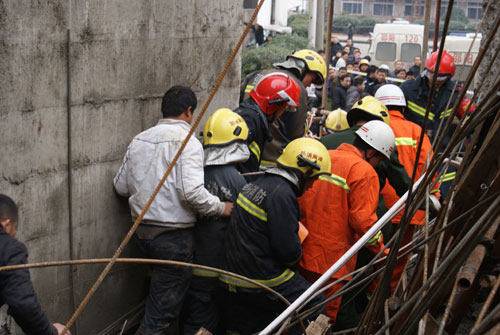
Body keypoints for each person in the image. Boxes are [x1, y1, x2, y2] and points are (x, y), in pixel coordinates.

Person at [113, 86, 233, 335]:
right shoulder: (188, 143)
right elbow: (192, 193)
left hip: (141, 234)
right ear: (189, 111)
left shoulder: (140, 139)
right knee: (160, 316)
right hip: (172, 239)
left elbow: (120, 186)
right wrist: (221, 208)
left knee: (158, 301)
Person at [222, 138, 331, 334]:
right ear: (304, 171)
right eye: (315, 178)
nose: (314, 185)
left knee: (252, 327)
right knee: (314, 302)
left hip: (234, 276)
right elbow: (288, 252)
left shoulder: (259, 183)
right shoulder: (282, 194)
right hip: (261, 278)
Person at [299, 120, 395, 325]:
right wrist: (381, 251)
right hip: (332, 263)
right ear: (372, 152)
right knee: (320, 322)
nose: (378, 164)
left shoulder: (326, 157)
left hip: (301, 253)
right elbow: (363, 222)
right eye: (379, 159)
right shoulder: (364, 172)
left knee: (297, 316)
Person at [182, 109, 249, 335]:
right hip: (220, 265)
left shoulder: (195, 172)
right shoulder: (235, 180)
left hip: (193, 261)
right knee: (213, 320)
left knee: (198, 316)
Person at [375, 85, 441, 292]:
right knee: (397, 260)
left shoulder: (374, 129)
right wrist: (432, 199)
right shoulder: (416, 131)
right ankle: (385, 297)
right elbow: (428, 169)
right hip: (409, 208)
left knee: (373, 255)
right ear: (402, 108)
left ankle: (367, 297)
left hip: (378, 208)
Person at [240, 50, 327, 168]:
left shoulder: (255, 75)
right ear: (303, 69)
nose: (308, 85)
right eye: (311, 80)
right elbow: (295, 134)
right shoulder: (296, 87)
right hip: (271, 162)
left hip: (243, 151)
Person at [0, 194, 70, 335]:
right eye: (14, 229)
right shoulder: (9, 249)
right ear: (6, 224)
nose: (12, 236)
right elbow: (23, 304)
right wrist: (51, 332)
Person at [400, 50, 460, 198]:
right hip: (412, 152)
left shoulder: (456, 94)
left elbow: (470, 115)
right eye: (433, 75)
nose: (436, 80)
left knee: (442, 195)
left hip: (442, 153)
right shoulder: (408, 90)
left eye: (442, 77)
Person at [236, 72, 302, 174]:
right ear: (275, 104)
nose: (283, 111)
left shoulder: (253, 117)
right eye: (284, 108)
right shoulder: (250, 121)